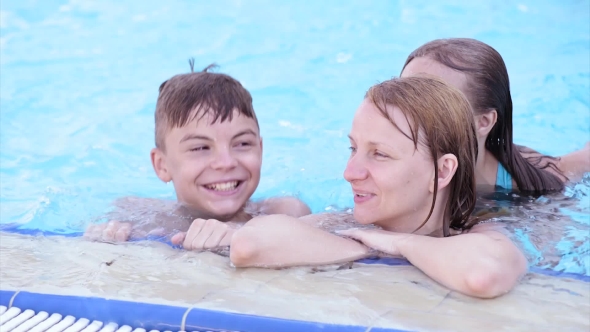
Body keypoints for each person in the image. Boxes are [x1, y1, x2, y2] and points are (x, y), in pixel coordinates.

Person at [225, 76, 527, 299]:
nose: (350, 173)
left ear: (442, 171)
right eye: (352, 148)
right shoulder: (344, 224)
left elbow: (483, 275)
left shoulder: (484, 231)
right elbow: (248, 245)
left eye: (379, 154)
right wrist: (367, 244)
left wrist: (397, 244)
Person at [84, 63, 310, 244]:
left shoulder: (286, 214)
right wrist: (106, 240)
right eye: (200, 148)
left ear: (260, 150)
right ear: (162, 165)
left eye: (242, 143)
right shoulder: (137, 219)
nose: (226, 162)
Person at [400, 38, 589, 195]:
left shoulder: (535, 187)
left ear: (483, 122)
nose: (407, 112)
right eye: (401, 94)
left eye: (434, 102)